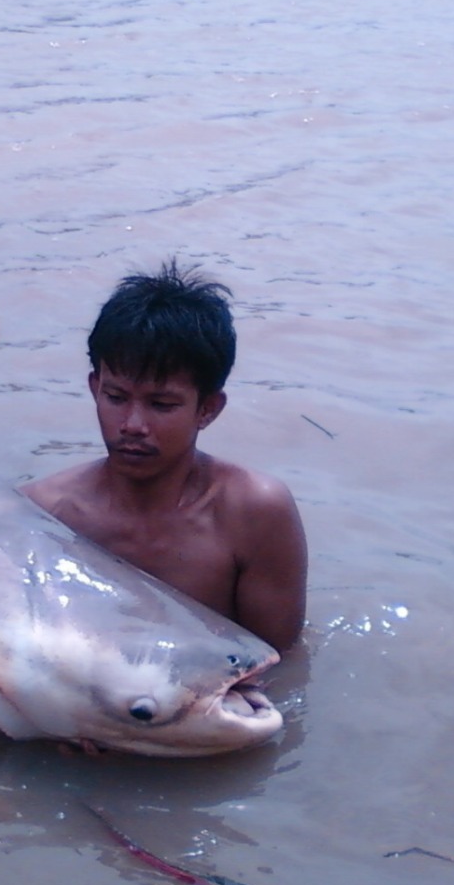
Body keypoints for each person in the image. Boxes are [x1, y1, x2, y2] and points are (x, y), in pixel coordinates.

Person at [21, 261, 307, 652]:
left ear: (207, 409)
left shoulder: (253, 513)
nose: (133, 424)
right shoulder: (45, 514)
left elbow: (276, 664)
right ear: (94, 388)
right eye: (116, 398)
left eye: (162, 404)